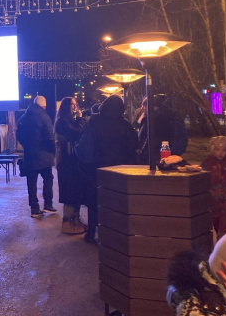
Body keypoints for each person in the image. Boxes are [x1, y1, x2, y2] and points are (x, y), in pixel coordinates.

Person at [76, 95, 137, 245]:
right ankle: (112, 234)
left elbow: (84, 144)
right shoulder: (125, 125)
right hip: (119, 170)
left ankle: (91, 233)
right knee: (115, 201)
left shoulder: (93, 121)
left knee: (94, 200)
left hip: (96, 168)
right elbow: (134, 145)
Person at [16, 95, 57, 218]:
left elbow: (19, 135)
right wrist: (53, 151)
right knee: (48, 178)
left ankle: (34, 209)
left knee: (31, 182)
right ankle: (48, 205)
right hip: (44, 156)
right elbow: (50, 137)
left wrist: (27, 146)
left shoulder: (23, 117)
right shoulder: (45, 117)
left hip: (29, 155)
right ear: (44, 106)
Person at [54, 97, 87, 235]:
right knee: (69, 192)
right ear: (66, 106)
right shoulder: (62, 121)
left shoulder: (69, 120)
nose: (75, 107)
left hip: (73, 161)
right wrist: (81, 119)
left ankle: (75, 219)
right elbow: (75, 133)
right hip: (66, 162)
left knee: (76, 191)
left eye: (76, 104)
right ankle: (67, 222)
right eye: (73, 104)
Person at [137, 94, 188, 164]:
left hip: (155, 157)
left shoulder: (155, 120)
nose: (142, 108)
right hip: (171, 156)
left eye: (144, 106)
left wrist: (141, 156)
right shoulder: (173, 117)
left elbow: (151, 140)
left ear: (152, 106)